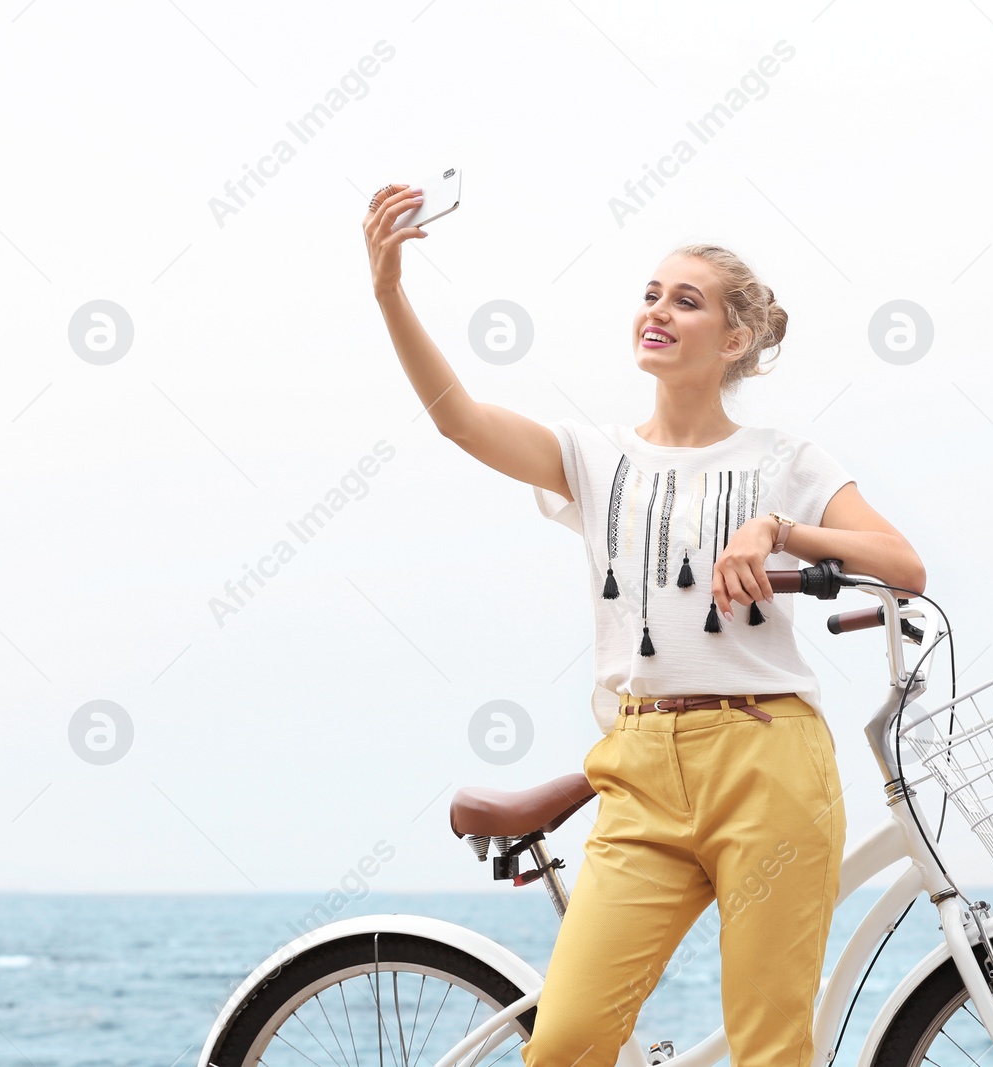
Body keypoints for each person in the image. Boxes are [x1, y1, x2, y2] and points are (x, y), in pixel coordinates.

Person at [363, 183, 926, 1067]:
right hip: (640, 770)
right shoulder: (596, 457)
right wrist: (390, 292)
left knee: (771, 1049)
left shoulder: (785, 460)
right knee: (566, 1044)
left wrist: (779, 528)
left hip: (767, 758)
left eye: (686, 300)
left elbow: (901, 564)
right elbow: (458, 420)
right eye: (652, 294)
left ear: (734, 339)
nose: (658, 310)